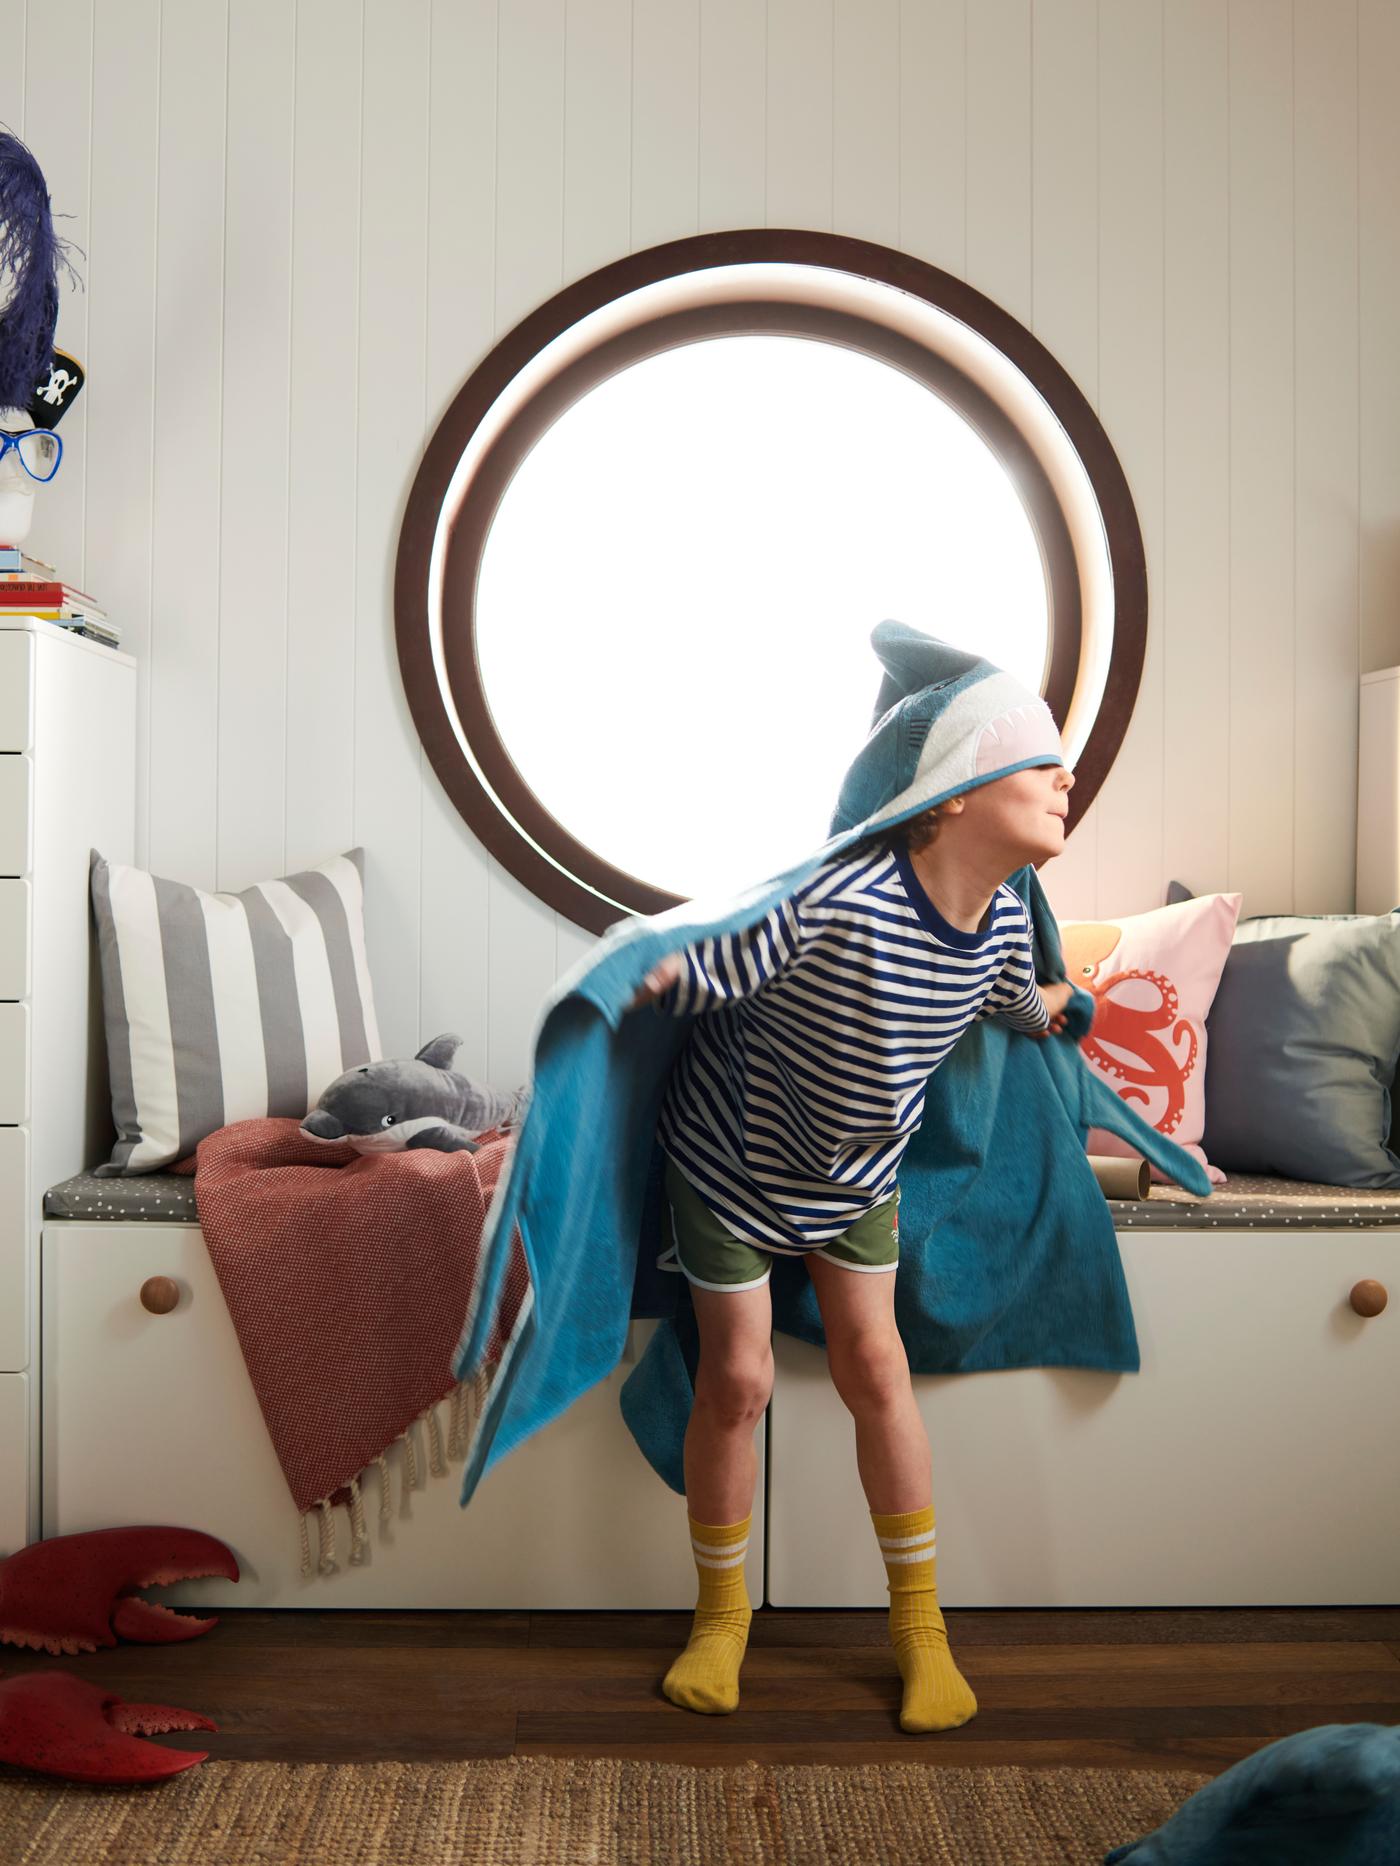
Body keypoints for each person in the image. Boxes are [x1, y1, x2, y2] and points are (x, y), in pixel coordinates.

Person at [627, 699, 1088, 1735]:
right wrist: (650, 974)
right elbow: (727, 958)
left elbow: (1010, 1000)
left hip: (854, 1177)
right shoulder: (848, 895)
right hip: (731, 1160)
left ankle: (919, 1631)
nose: (1067, 780)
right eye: (1042, 764)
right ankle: (720, 1618)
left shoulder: (1005, 915)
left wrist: (1058, 1005)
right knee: (735, 1379)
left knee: (874, 1367)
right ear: (958, 791)